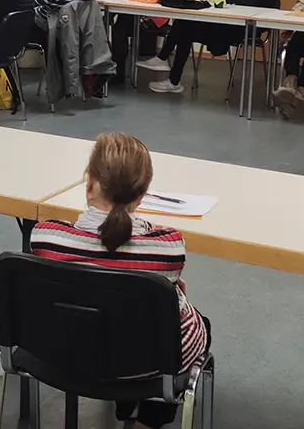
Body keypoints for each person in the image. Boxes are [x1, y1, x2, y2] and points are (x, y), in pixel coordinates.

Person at [31, 132, 211, 429]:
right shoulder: (168, 248)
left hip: (71, 355)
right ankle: (147, 417)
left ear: (88, 182)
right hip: (149, 362)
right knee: (186, 324)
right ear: (142, 196)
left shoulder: (47, 238)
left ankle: (125, 403)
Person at [144, 0, 279, 94]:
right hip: (231, 23)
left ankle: (169, 71)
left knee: (185, 28)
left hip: (243, 29)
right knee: (184, 23)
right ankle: (167, 68)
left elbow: (244, 2)